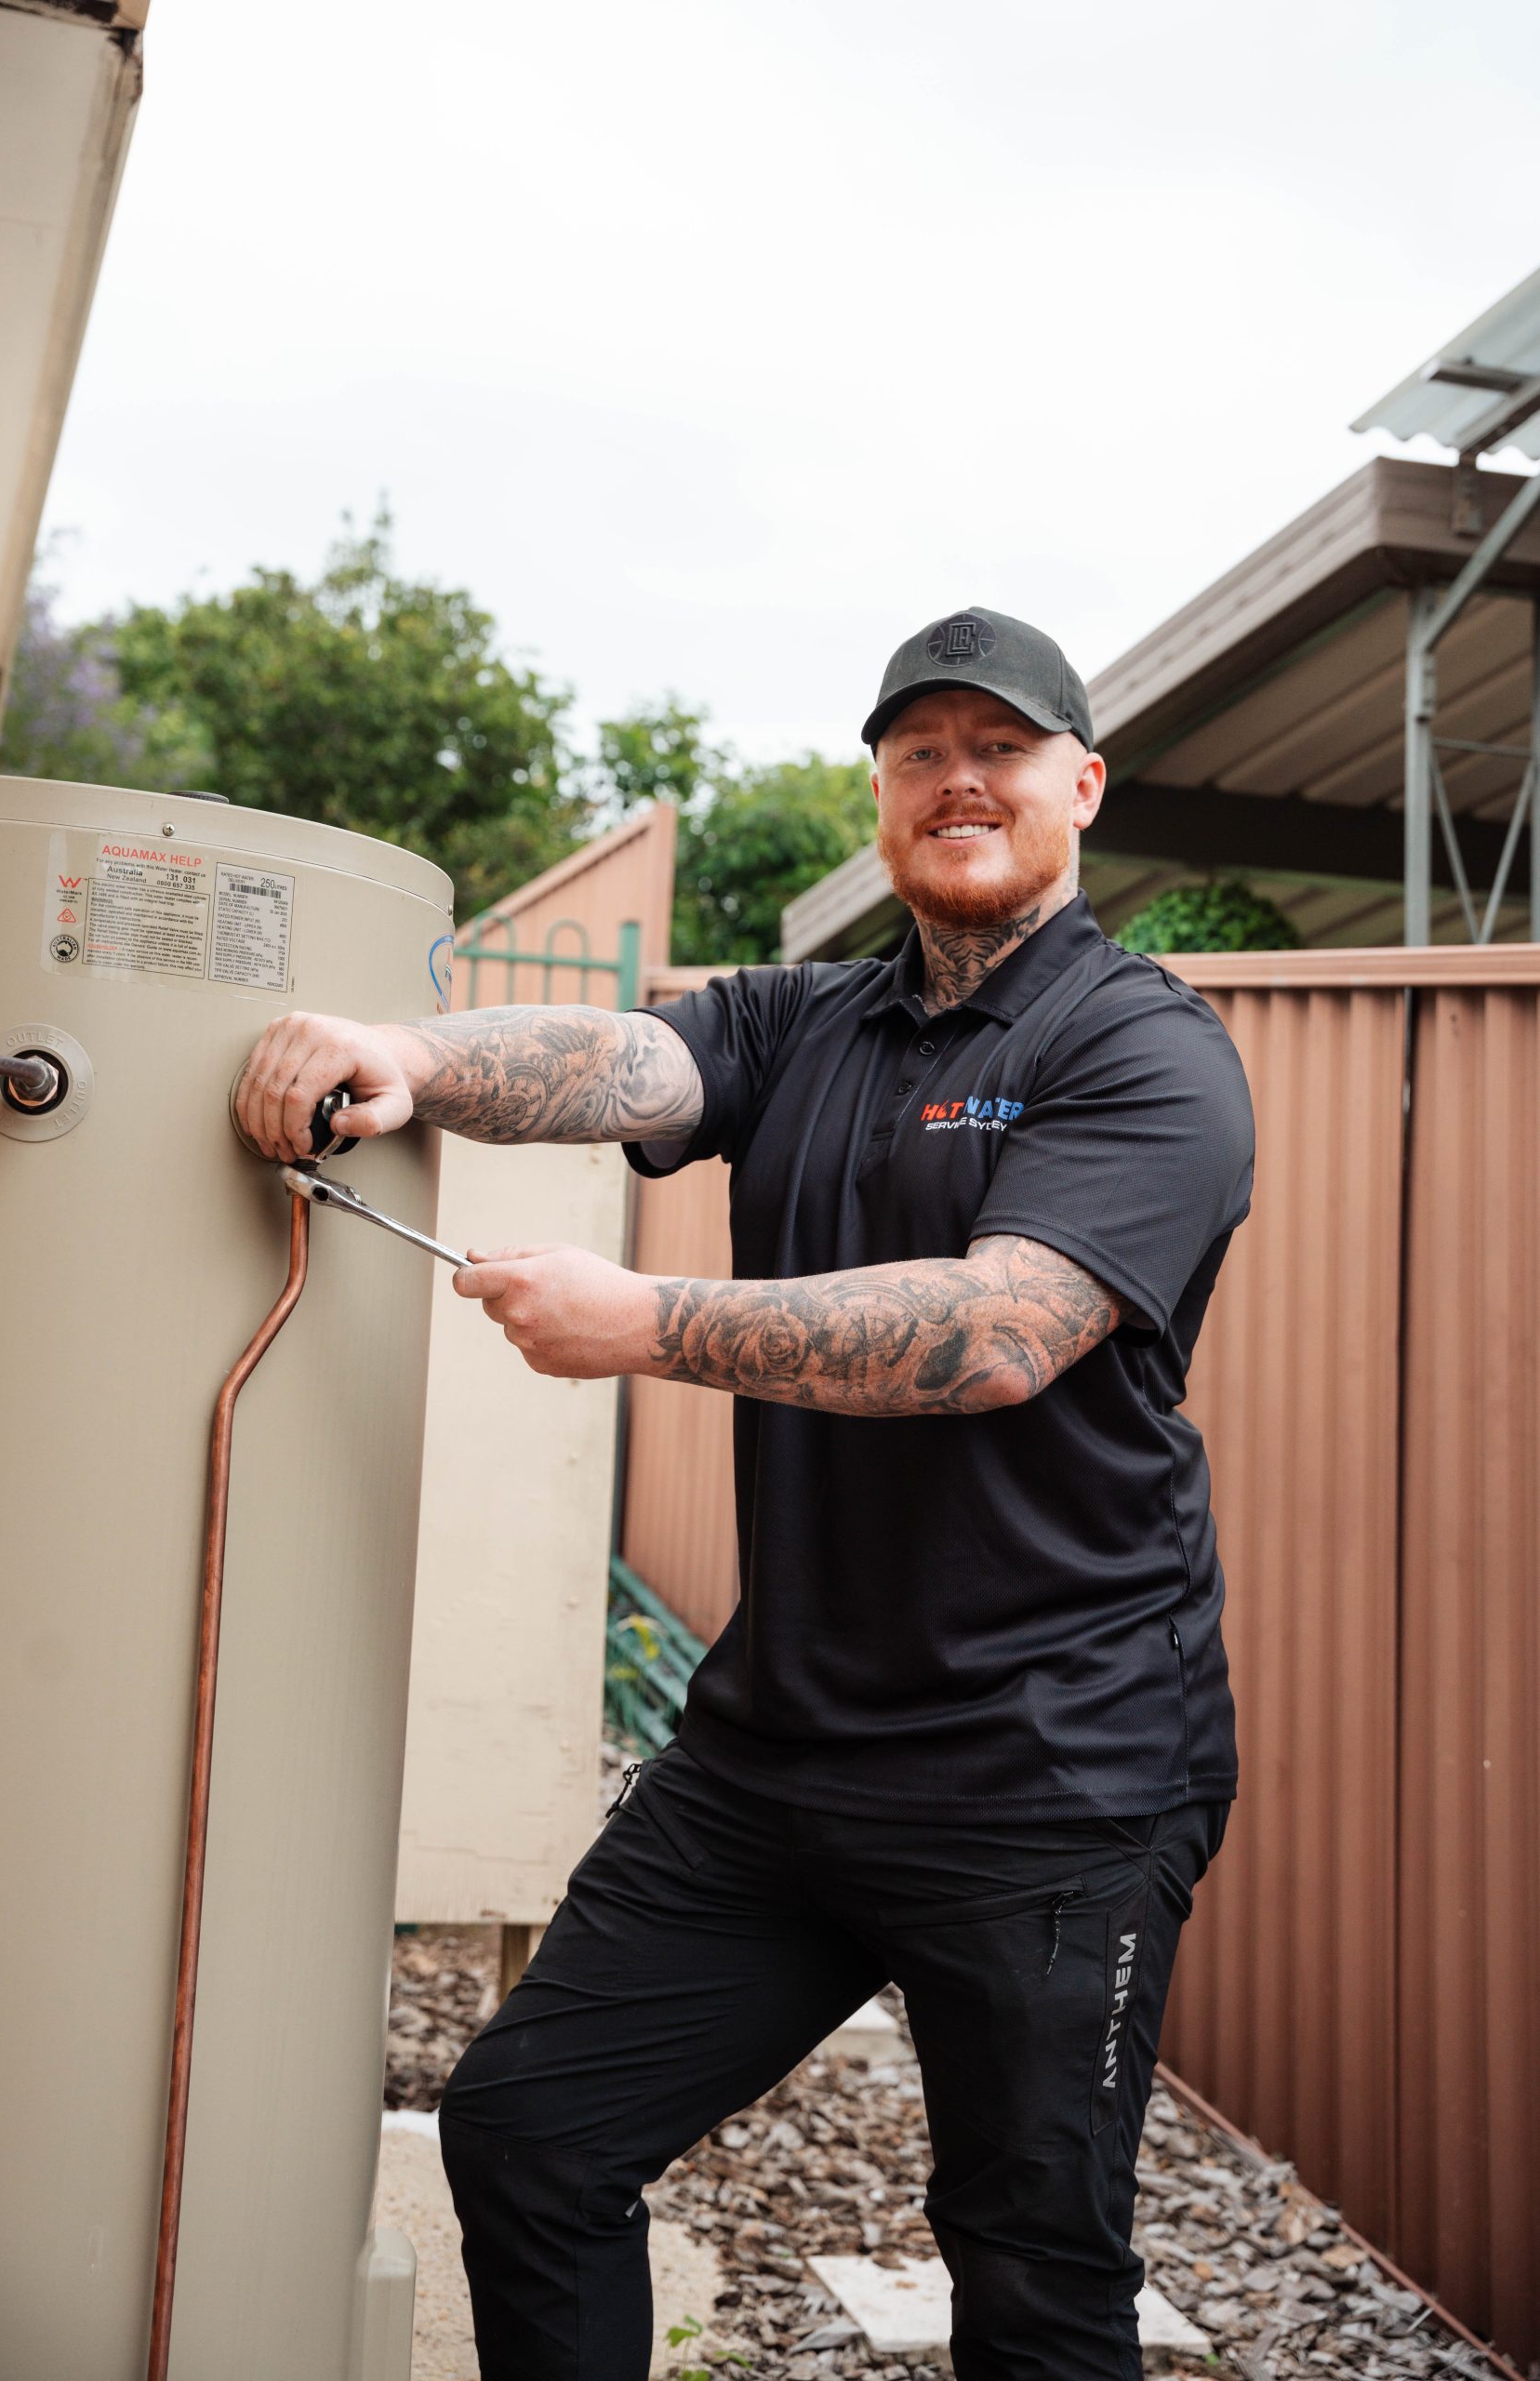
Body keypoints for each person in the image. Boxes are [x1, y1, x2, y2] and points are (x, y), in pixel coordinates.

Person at [236, 605, 1255, 2381]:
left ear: (1082, 787)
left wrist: (648, 1323)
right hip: (783, 1753)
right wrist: (410, 1057)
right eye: (920, 751)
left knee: (1031, 2265)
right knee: (532, 2133)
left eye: (999, 749)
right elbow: (629, 1062)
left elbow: (1000, 1331)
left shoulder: (1147, 1050)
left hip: (1053, 1773)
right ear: (882, 794)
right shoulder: (812, 1018)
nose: (958, 780)